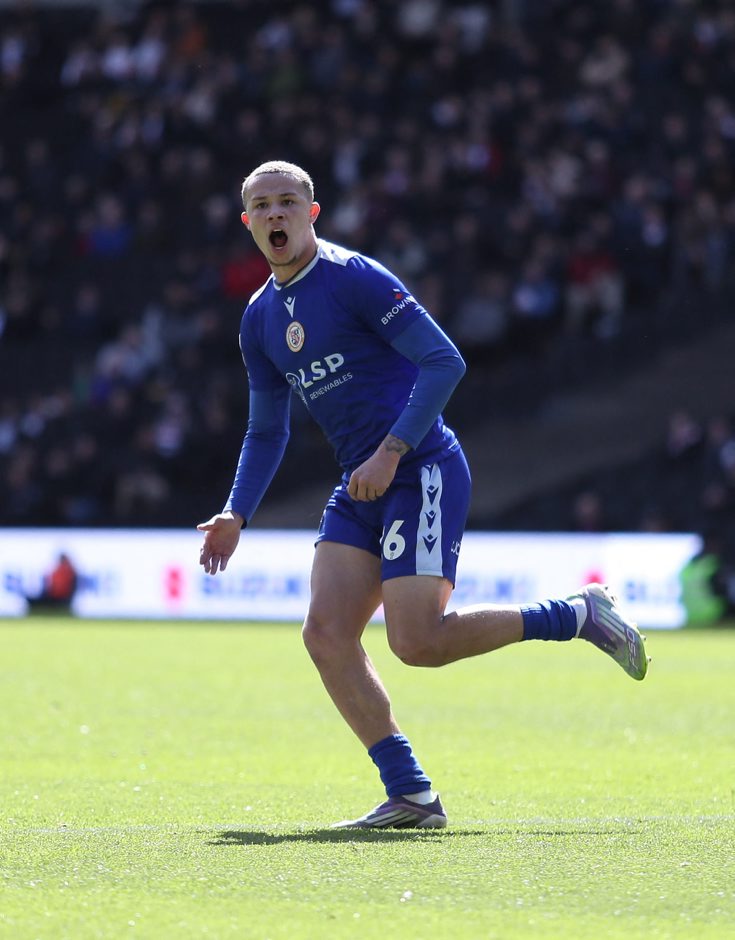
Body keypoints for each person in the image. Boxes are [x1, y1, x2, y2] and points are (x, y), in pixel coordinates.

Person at [197, 160, 649, 829]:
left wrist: (391, 451)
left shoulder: (354, 278)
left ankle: (577, 615)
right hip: (360, 483)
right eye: (261, 206)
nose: (275, 214)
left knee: (418, 642)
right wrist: (237, 511)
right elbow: (267, 429)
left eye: (287, 201)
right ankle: (410, 794)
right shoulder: (259, 319)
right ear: (247, 223)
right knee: (325, 635)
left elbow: (444, 361)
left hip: (420, 467)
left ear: (311, 213)